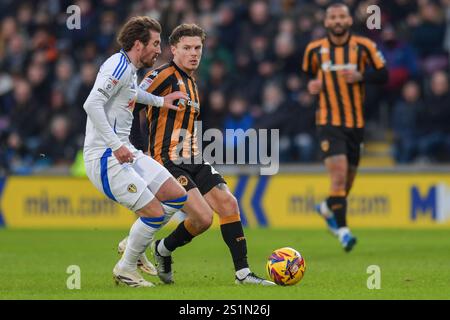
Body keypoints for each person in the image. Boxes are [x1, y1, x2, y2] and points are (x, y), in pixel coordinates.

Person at [126, 23, 274, 286]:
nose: (194, 53)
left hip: (194, 157)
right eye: (187, 48)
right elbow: (132, 105)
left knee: (229, 204)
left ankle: (242, 274)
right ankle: (158, 250)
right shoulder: (160, 75)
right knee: (203, 218)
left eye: (198, 48)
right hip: (167, 160)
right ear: (173, 49)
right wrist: (139, 149)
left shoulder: (193, 82)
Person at [83, 16, 188, 287]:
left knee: (177, 196)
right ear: (138, 44)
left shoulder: (128, 69)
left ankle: (133, 242)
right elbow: (92, 104)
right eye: (154, 43)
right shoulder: (117, 66)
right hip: (107, 156)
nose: (158, 49)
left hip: (124, 150)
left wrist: (161, 101)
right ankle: (126, 268)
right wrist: (116, 146)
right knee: (153, 214)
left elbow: (131, 94)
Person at [302, 3, 388, 252]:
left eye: (342, 16)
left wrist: (362, 76)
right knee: (338, 178)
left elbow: (384, 75)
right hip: (328, 122)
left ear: (349, 20)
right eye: (333, 17)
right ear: (326, 22)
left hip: (356, 124)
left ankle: (327, 208)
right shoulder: (314, 50)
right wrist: (312, 87)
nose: (337, 21)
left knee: (347, 183)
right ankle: (343, 231)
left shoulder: (364, 46)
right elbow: (308, 77)